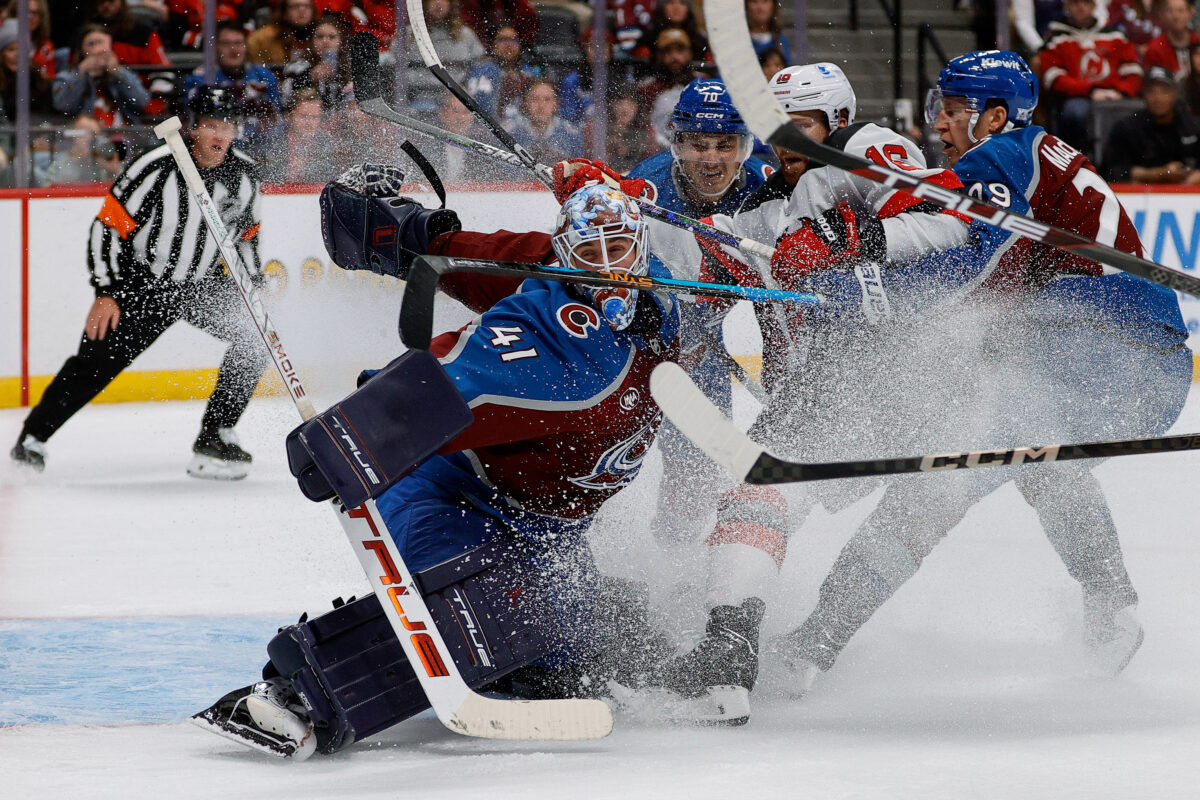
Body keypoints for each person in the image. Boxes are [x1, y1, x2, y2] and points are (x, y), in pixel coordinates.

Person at [191, 177, 681, 759]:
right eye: (590, 253)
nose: (609, 269)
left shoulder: (657, 297)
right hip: (455, 494)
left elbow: (508, 257)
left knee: (570, 662)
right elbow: (456, 373)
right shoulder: (552, 335)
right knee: (482, 617)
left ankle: (550, 634)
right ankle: (299, 690)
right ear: (564, 254)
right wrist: (358, 436)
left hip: (546, 527)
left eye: (619, 250)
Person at [772, 50, 1190, 699]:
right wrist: (859, 265)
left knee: (940, 477)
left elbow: (967, 266)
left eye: (954, 108)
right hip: (1146, 368)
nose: (939, 121)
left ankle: (815, 641)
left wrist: (851, 291)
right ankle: (1113, 608)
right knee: (1039, 460)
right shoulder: (1027, 160)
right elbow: (963, 274)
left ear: (995, 115)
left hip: (1100, 341)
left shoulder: (1000, 155)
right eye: (939, 106)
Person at [620, 62, 975, 723]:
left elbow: (952, 229)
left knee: (887, 504)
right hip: (827, 388)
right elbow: (715, 269)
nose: (785, 139)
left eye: (801, 126)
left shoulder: (867, 151)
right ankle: (743, 650)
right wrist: (606, 217)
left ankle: (803, 639)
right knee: (759, 495)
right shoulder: (773, 200)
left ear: (835, 124)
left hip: (897, 374)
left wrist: (860, 256)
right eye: (773, 126)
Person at [10, 87, 271, 481]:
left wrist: (255, 286)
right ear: (193, 128)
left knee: (257, 336)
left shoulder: (245, 174)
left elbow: (246, 238)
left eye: (228, 126)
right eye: (212, 125)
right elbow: (108, 228)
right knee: (95, 365)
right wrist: (106, 292)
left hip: (200, 285)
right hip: (142, 285)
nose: (220, 136)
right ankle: (32, 439)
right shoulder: (156, 166)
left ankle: (214, 436)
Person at [1040, 0, 1143, 152]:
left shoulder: (1114, 33)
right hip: (1078, 98)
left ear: (1094, 6)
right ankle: (1083, 161)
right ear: (1067, 5)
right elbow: (1054, 78)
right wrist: (1091, 91)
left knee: (1139, 111)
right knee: (1075, 112)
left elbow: (1133, 70)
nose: (1081, 7)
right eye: (1076, 3)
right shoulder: (1056, 36)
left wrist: (1122, 92)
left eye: (1086, 2)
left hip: (1115, 95)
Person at [184, 19, 283, 143]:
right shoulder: (201, 78)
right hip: (218, 143)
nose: (234, 50)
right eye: (226, 44)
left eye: (239, 43)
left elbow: (277, 115)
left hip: (260, 144)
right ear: (215, 47)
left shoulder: (263, 76)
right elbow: (192, 119)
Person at [1102, 65, 1200, 182]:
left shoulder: (1193, 127)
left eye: (1164, 91)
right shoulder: (1126, 128)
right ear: (1143, 94)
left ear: (1175, 94)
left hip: (1188, 194)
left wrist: (1192, 179)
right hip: (1138, 195)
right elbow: (1111, 171)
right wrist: (1156, 174)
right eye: (1151, 91)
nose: (1158, 98)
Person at [51, 23, 151, 126]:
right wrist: (80, 73)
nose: (97, 50)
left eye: (101, 43)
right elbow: (63, 105)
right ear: (82, 50)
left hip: (124, 136)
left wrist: (118, 73)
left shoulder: (123, 74)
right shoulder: (66, 77)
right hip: (87, 137)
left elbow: (142, 102)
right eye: (91, 44)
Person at [399, 0, 485, 113]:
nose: (438, 3)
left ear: (451, 4)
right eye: (432, 0)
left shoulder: (466, 35)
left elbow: (481, 67)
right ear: (423, 4)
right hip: (420, 98)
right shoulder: (408, 35)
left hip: (457, 99)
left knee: (459, 111)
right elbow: (396, 69)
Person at [504, 78, 583, 163]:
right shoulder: (510, 132)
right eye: (535, 99)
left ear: (556, 103)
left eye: (547, 99)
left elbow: (577, 170)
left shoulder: (571, 134)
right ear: (526, 102)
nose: (541, 106)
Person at [1142, 0, 1199, 79]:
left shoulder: (1198, 42)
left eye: (1181, 11)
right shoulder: (1155, 48)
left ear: (1191, 12)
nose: (1176, 16)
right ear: (1162, 14)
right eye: (1170, 11)